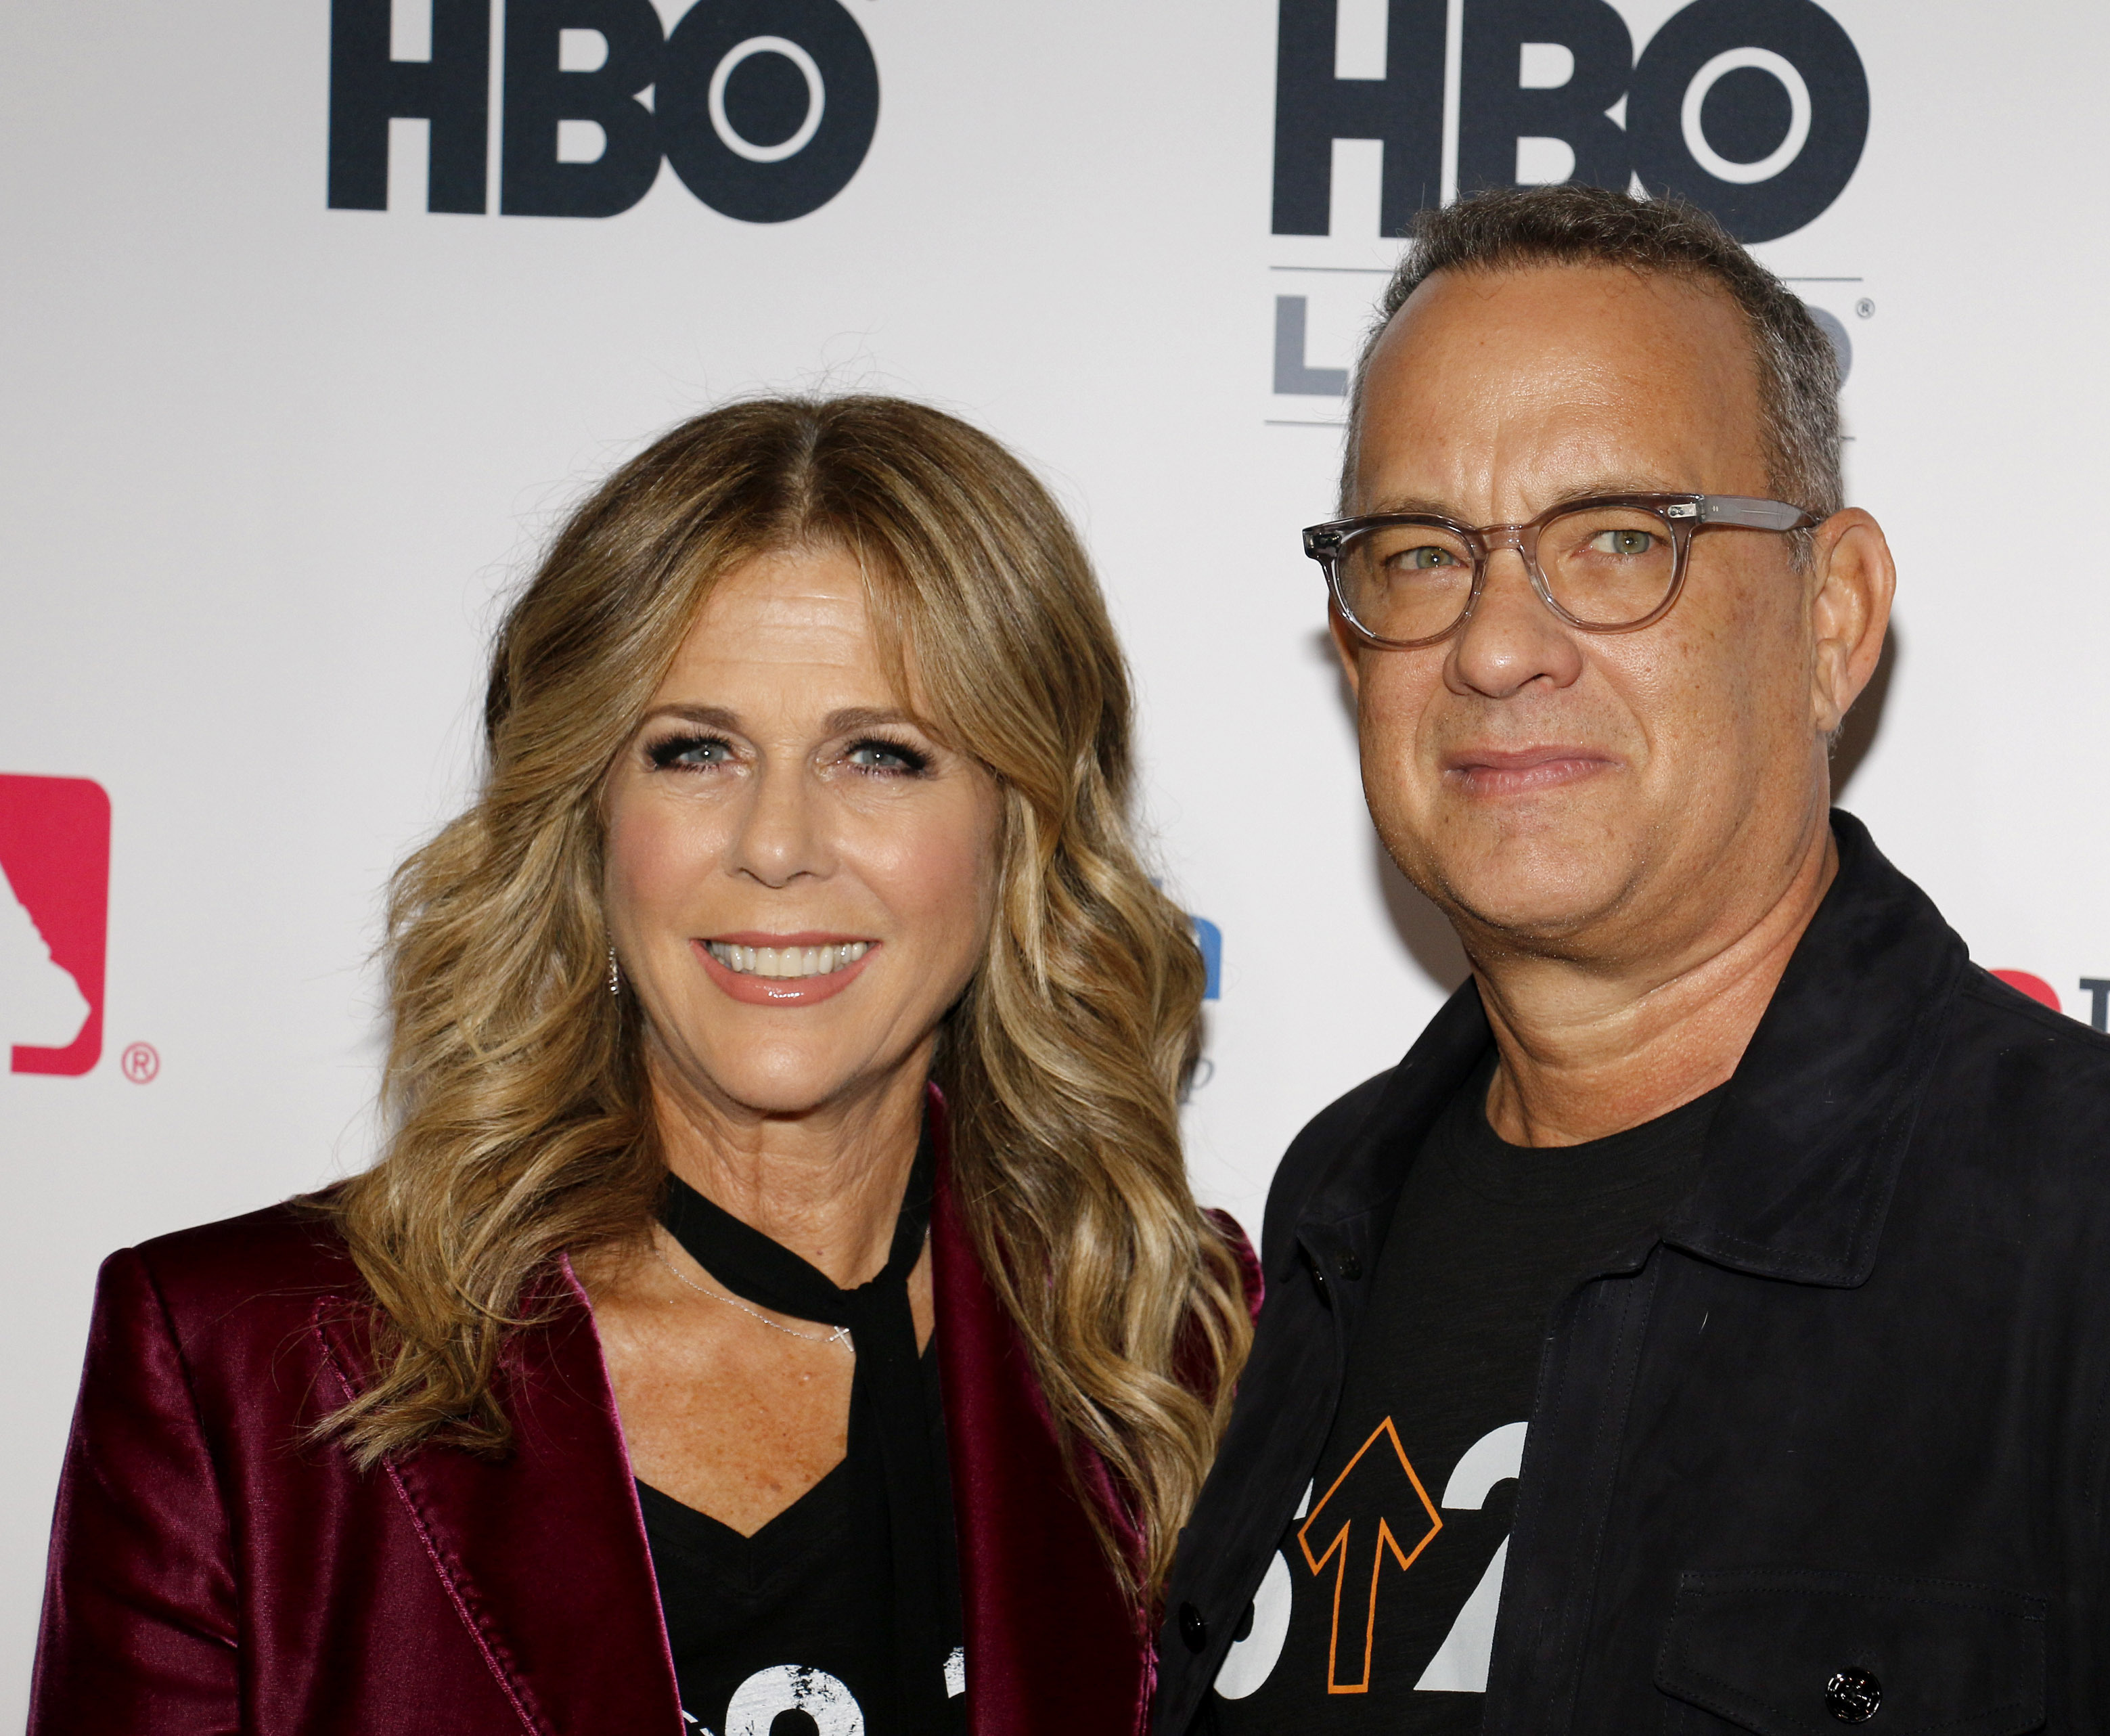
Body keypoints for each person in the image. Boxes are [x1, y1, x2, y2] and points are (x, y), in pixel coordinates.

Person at [1154, 186, 2110, 1735]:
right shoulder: (1329, 1210)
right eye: (1421, 553)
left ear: (1833, 619)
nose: (1496, 647)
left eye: (1620, 538)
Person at [32, 395, 1255, 1736]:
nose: (778, 842)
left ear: (1017, 829)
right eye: (696, 749)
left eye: (881, 754)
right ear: (590, 819)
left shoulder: (1182, 1344)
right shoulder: (245, 1365)